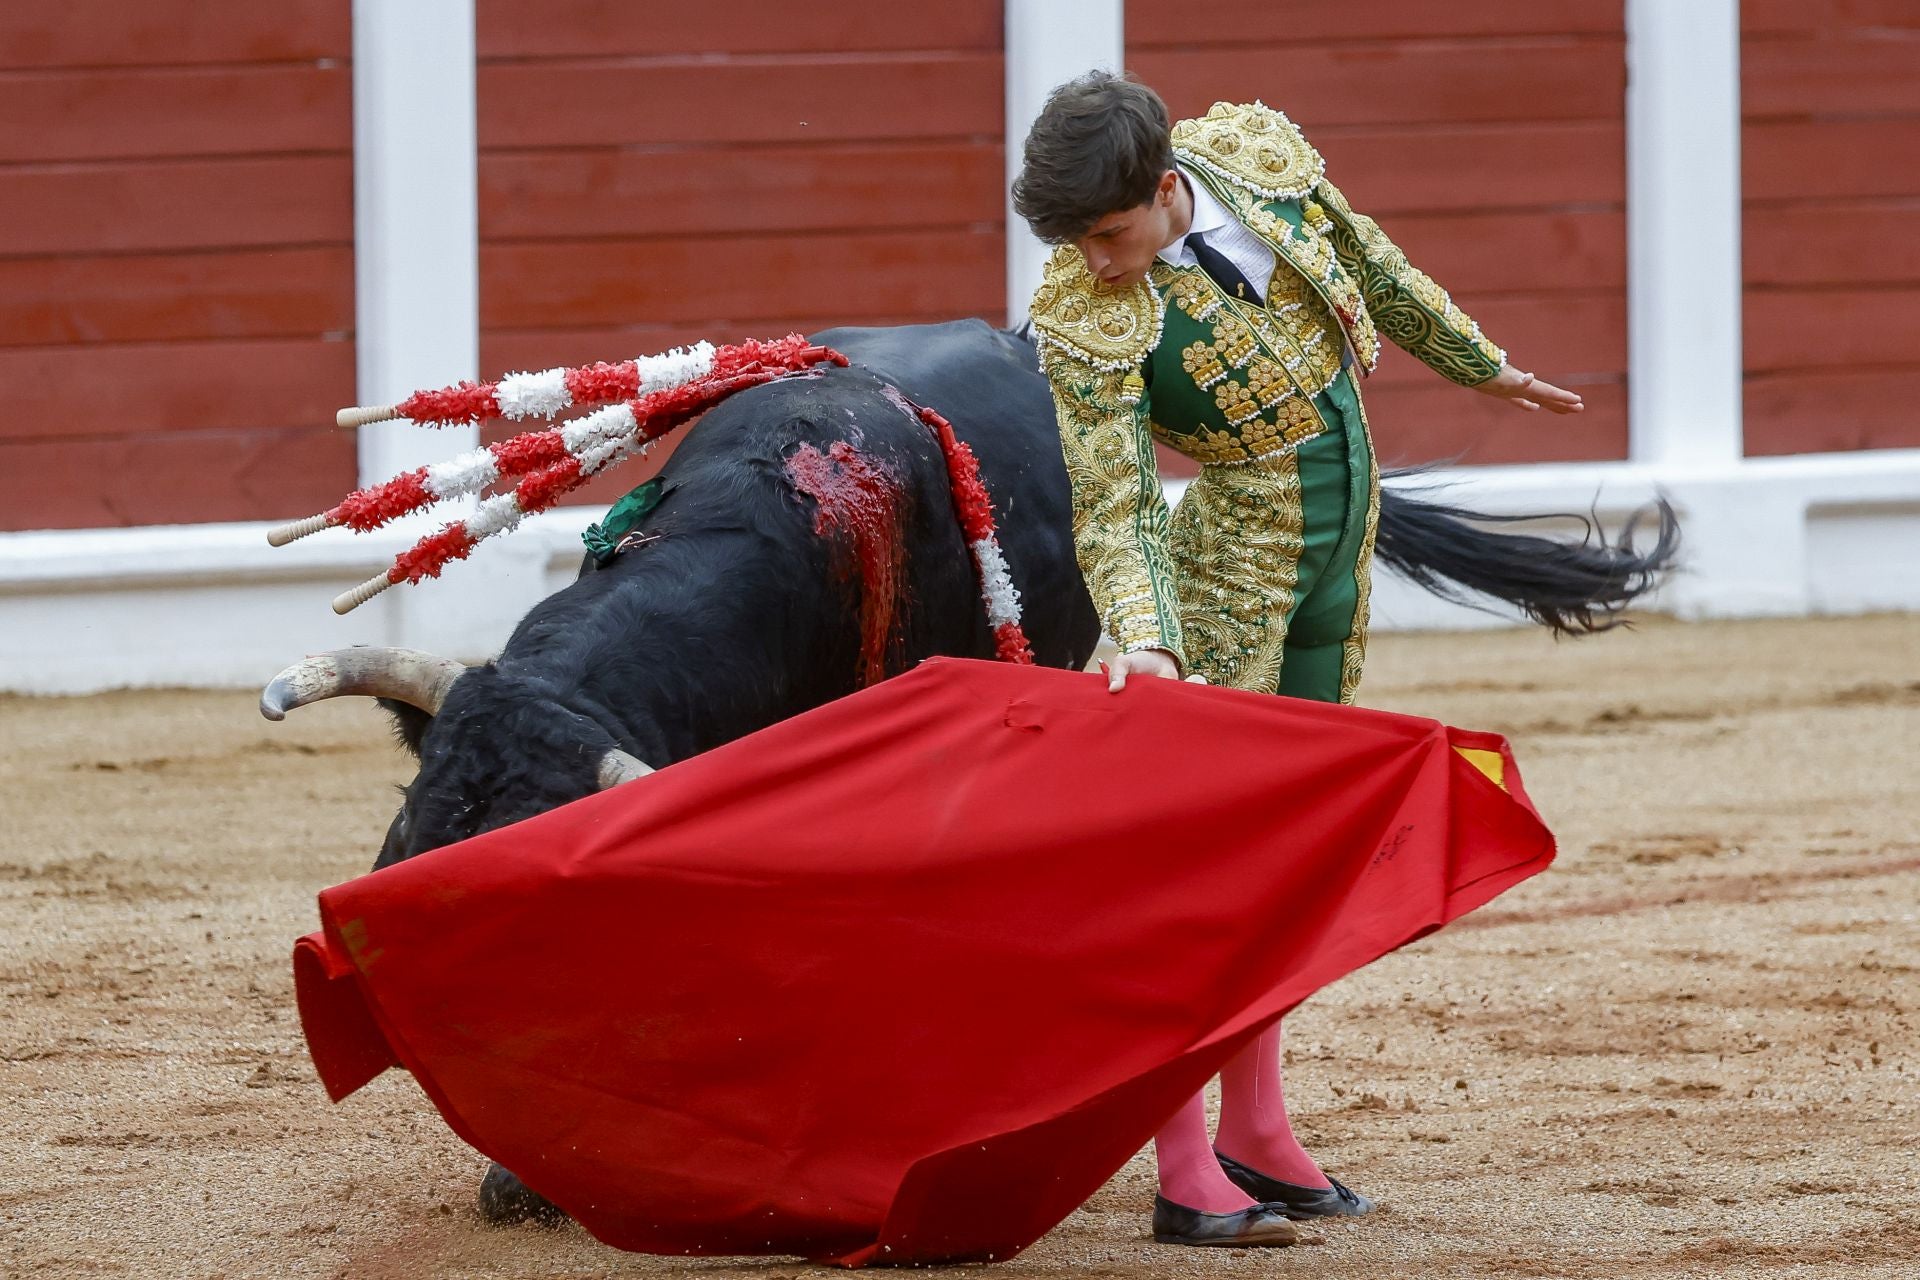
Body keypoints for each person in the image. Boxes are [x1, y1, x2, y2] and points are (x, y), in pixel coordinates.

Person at [1013, 71, 1586, 1248]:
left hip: (1336, 554)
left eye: (1112, 234)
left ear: (1169, 188)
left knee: (1296, 852)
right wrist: (1151, 637)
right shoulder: (1083, 308)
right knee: (1196, 873)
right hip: (1227, 579)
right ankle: (1181, 1163)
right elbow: (1114, 505)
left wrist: (1480, 363)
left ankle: (1258, 1126)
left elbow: (1367, 262)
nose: (1098, 262)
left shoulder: (1254, 159)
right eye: (1081, 242)